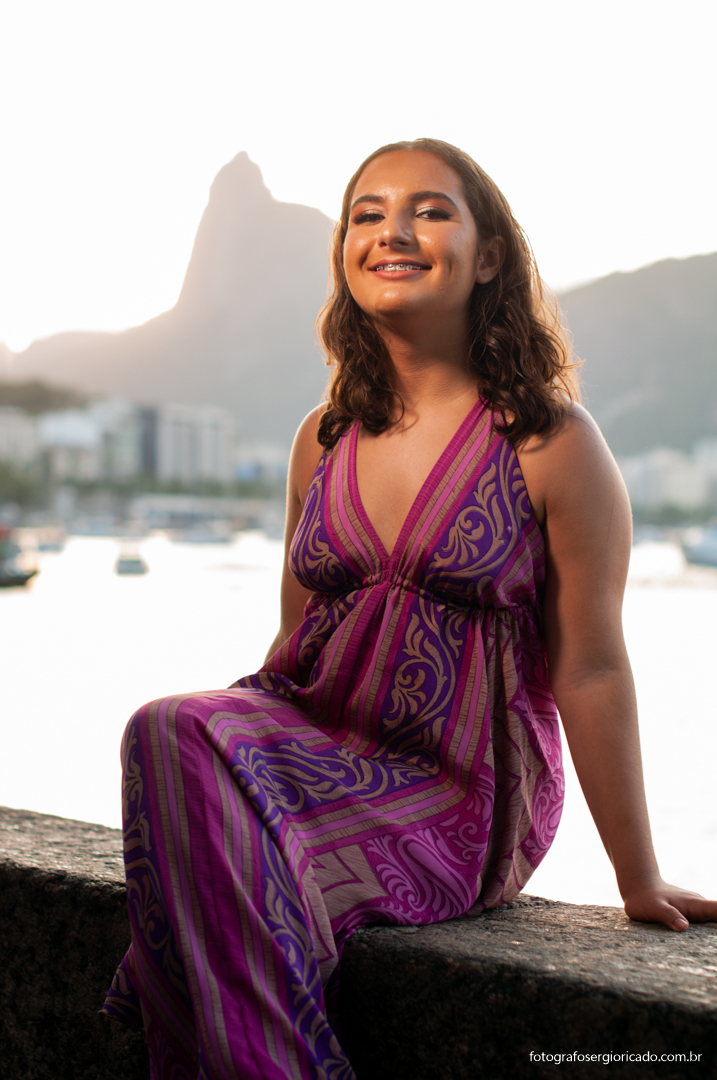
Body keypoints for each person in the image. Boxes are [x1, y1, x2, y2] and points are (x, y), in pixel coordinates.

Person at [102, 138, 717, 1079]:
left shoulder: (548, 442)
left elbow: (590, 664)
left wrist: (636, 874)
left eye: (429, 210)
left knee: (203, 818)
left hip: (462, 797)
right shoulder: (324, 437)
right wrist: (225, 766)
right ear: (345, 254)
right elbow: (292, 641)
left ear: (489, 254)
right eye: (366, 214)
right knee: (166, 727)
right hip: (321, 753)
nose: (393, 231)